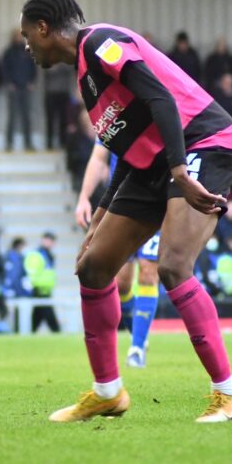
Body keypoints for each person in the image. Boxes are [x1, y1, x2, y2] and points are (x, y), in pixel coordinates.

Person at [21, 0, 232, 423]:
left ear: (44, 28)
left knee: (173, 265)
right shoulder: (85, 76)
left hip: (202, 141)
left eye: (26, 34)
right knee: (94, 266)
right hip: (153, 162)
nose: (26, 45)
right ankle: (107, 392)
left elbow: (161, 98)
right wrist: (100, 216)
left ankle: (229, 395)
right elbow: (129, 149)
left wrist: (179, 170)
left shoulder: (100, 42)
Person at [75, 141, 160, 367]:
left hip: (156, 200)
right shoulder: (114, 122)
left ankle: (137, 348)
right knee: (121, 283)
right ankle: (139, 334)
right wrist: (84, 197)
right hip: (122, 203)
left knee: (148, 272)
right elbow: (98, 157)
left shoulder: (158, 119)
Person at [1, 29, 37, 151]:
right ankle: (9, 143)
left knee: (27, 116)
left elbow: (33, 66)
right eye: (15, 36)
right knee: (12, 116)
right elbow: (4, 69)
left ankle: (28, 143)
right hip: (14, 88)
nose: (18, 38)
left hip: (26, 87)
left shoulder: (28, 50)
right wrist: (9, 83)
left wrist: (32, 81)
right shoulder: (8, 52)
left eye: (19, 36)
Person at [23, 232, 61, 333]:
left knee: (36, 318)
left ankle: (29, 334)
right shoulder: (38, 255)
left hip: (45, 290)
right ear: (43, 240)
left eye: (52, 241)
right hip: (39, 290)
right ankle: (57, 332)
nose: (50, 243)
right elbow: (32, 272)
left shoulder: (48, 255)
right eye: (49, 240)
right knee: (50, 319)